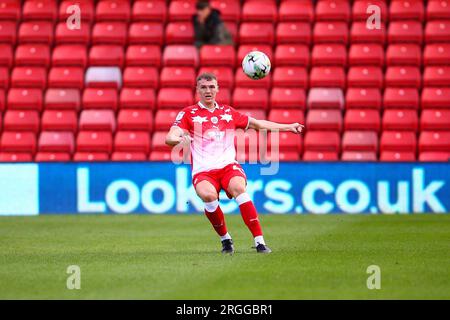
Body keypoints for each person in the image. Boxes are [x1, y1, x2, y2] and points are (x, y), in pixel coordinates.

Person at [165, 73, 304, 254]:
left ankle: (260, 242)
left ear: (218, 89)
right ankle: (226, 240)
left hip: (228, 166)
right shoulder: (188, 113)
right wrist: (178, 139)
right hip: (203, 171)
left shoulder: (228, 113)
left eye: (212, 87)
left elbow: (258, 125)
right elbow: (170, 137)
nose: (208, 91)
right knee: (208, 196)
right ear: (197, 90)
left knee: (239, 188)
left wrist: (288, 126)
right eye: (204, 87)